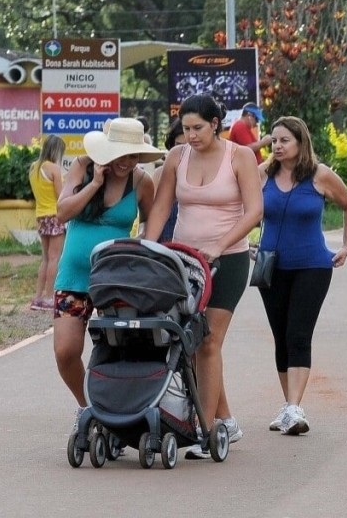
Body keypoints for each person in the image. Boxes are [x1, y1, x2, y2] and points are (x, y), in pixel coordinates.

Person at [144, 94, 263, 458]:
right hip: (183, 262)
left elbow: (254, 211)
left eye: (198, 128)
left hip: (226, 260)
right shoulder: (177, 157)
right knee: (189, 343)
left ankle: (204, 430)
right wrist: (148, 249)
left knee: (208, 342)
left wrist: (220, 244)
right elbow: (163, 206)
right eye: (185, 128)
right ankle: (223, 420)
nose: (191, 135)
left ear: (215, 124)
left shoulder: (239, 157)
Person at [53, 118, 163, 427]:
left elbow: (149, 222)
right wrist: (95, 184)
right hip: (74, 279)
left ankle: (121, 411)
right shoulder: (83, 166)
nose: (127, 163)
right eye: (121, 155)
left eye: (133, 156)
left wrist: (140, 242)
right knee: (66, 351)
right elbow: (63, 213)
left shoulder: (142, 181)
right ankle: (89, 408)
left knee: (121, 348)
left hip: (117, 279)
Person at [257, 116, 347, 435]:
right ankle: (288, 406)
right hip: (270, 266)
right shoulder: (262, 175)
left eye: (284, 140)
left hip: (312, 266)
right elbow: (240, 205)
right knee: (281, 336)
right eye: (274, 140)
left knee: (298, 334)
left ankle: (294, 408)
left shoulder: (319, 175)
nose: (278, 146)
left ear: (301, 143)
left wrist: (346, 245)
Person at [27, 135, 67, 311]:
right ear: (57, 150)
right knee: (54, 258)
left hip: (41, 215)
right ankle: (50, 297)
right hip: (55, 215)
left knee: (45, 258)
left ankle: (38, 297)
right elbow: (61, 196)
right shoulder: (54, 169)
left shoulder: (34, 167)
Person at [152, 118, 185, 243]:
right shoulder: (160, 174)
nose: (185, 151)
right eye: (179, 146)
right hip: (163, 249)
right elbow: (153, 214)